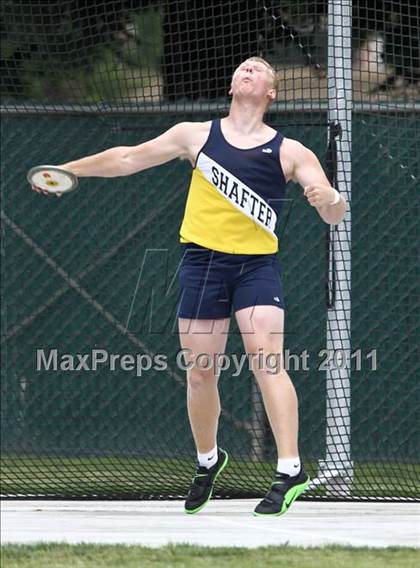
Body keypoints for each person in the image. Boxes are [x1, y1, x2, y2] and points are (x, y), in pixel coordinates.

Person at [31, 56, 346, 516]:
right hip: (202, 265)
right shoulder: (193, 135)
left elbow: (333, 212)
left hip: (257, 267)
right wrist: (69, 169)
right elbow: (126, 158)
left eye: (257, 69)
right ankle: (208, 460)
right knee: (201, 372)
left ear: (271, 93)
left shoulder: (291, 151)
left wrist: (331, 198)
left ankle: (290, 468)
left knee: (268, 363)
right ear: (231, 83)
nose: (247, 70)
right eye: (241, 67)